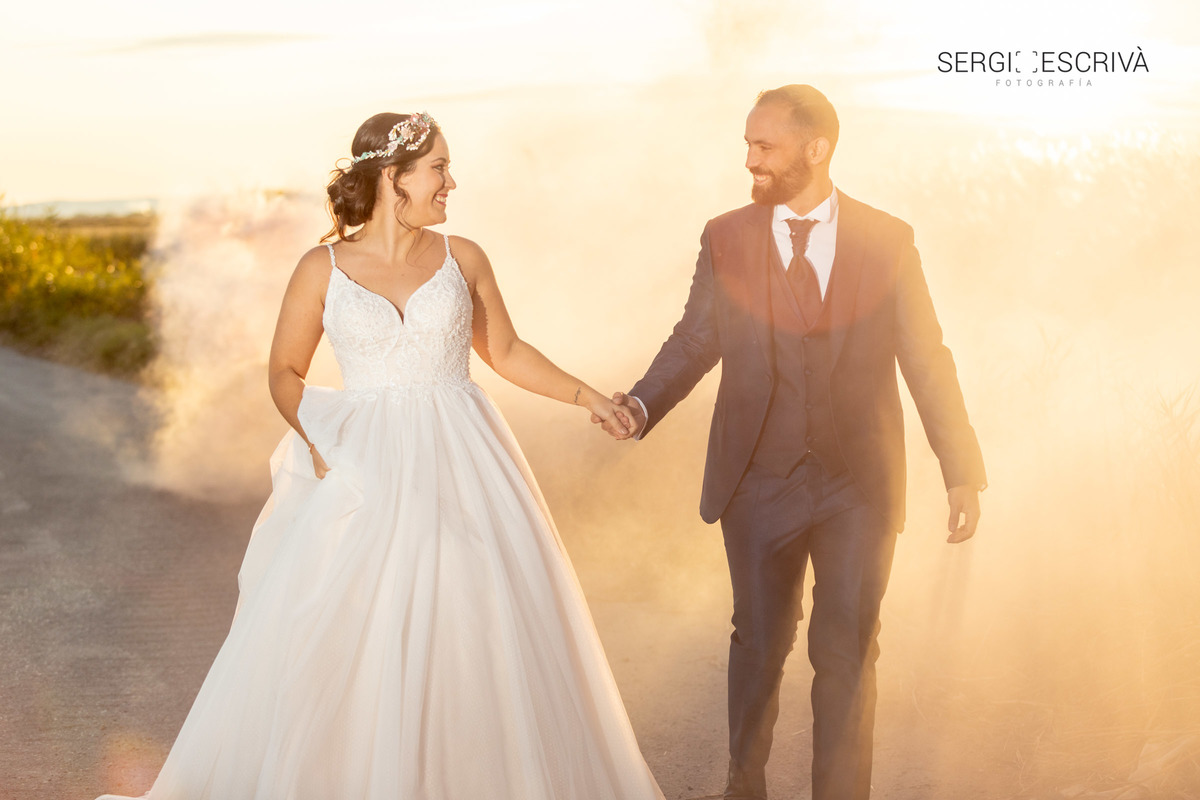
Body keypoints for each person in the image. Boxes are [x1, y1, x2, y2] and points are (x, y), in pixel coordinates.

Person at [97, 111, 663, 800]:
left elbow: (505, 352)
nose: (452, 182)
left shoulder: (465, 257)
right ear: (392, 177)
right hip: (366, 465)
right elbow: (283, 371)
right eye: (438, 168)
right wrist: (319, 438)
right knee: (355, 629)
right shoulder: (322, 267)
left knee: (474, 622)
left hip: (465, 459)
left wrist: (587, 397)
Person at [599, 85, 987, 800]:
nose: (750, 159)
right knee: (760, 644)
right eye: (748, 144)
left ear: (817, 149)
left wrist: (960, 467)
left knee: (847, 654)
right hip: (757, 480)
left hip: (859, 486)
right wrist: (641, 401)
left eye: (764, 146)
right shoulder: (726, 236)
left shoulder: (888, 239)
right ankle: (743, 785)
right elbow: (697, 338)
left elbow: (926, 355)